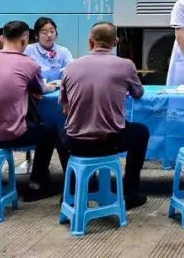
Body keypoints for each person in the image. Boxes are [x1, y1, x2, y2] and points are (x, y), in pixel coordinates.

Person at [0, 20, 66, 201]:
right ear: (25, 40)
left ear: (1, 39)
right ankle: (37, 185)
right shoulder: (29, 64)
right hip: (8, 135)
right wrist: (51, 86)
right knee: (51, 130)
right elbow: (40, 90)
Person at [59, 22, 149, 209]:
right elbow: (138, 93)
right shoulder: (125, 65)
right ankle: (129, 191)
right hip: (110, 141)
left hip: (76, 142)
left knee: (59, 133)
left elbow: (65, 108)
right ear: (115, 42)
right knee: (141, 132)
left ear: (90, 41)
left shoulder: (71, 67)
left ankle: (73, 191)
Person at [24, 17, 74, 85]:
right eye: (44, 32)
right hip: (35, 90)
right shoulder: (28, 50)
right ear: (36, 35)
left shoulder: (64, 52)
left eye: (52, 31)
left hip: (59, 90)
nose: (49, 35)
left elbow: (72, 72)